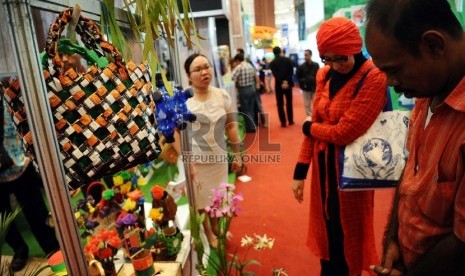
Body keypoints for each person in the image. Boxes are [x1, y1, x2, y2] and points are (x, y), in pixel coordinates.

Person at [364, 0, 465, 275]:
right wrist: (392, 238)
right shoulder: (428, 88)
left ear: (433, 45)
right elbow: (409, 173)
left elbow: (462, 245)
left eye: (394, 70)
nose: (389, 83)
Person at [292, 17, 388, 276]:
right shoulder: (324, 75)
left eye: (341, 58)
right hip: (324, 171)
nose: (335, 65)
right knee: (327, 229)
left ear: (356, 48)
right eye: (328, 59)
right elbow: (321, 127)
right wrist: (300, 173)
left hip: (353, 172)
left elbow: (344, 132)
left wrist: (309, 126)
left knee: (349, 235)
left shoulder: (374, 77)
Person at [184, 53, 242, 248]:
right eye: (198, 69)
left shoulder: (221, 95)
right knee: (200, 200)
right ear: (189, 75)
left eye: (206, 67)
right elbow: (177, 133)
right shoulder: (184, 100)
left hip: (218, 160)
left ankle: (216, 225)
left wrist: (238, 155)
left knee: (216, 196)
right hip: (195, 162)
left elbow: (231, 126)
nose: (204, 72)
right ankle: (208, 232)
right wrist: (185, 160)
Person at [0, 82, 60, 271]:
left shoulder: (6, 84)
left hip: (19, 157)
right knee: (3, 216)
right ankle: (19, 249)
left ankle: (52, 247)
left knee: (35, 209)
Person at [231, 53, 261, 132]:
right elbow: (255, 75)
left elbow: (232, 78)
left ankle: (251, 127)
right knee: (251, 108)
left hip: (243, 89)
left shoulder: (239, 67)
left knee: (245, 109)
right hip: (252, 88)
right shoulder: (249, 65)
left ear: (237, 60)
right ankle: (253, 124)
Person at [269, 46, 295, 127]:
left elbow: (275, 75)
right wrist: (286, 81)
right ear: (280, 51)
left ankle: (283, 122)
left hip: (279, 85)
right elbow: (291, 71)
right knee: (289, 102)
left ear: (273, 53)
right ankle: (290, 120)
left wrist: (281, 82)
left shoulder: (272, 63)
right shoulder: (287, 60)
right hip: (288, 83)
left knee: (280, 104)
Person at [296, 49, 320, 117]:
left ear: (310, 55)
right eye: (305, 55)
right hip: (306, 89)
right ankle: (309, 118)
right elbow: (298, 77)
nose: (305, 57)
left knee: (316, 104)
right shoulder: (301, 67)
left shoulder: (316, 65)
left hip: (314, 88)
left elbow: (319, 76)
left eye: (307, 55)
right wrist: (302, 85)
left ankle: (316, 117)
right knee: (307, 105)